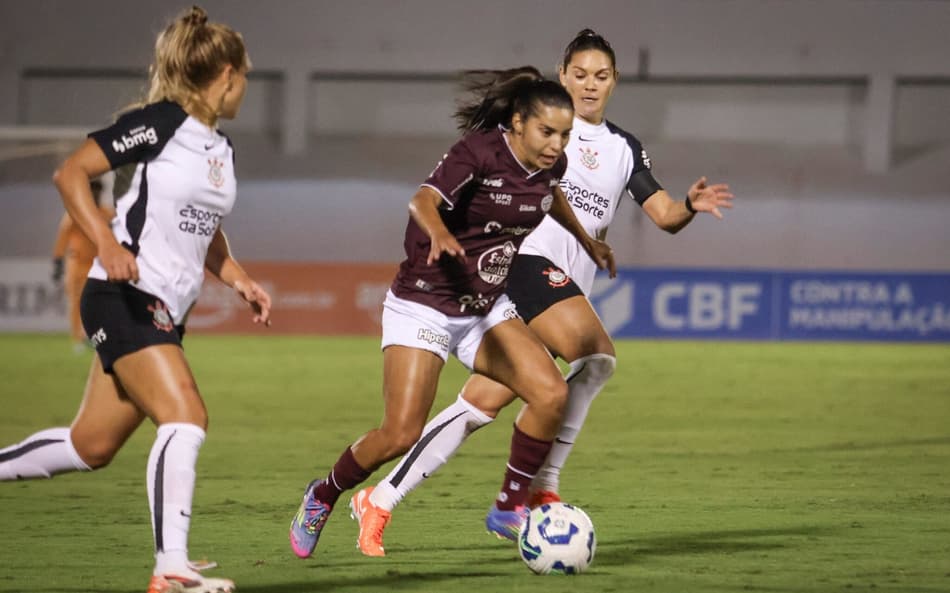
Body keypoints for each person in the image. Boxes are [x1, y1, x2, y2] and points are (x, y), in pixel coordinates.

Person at [347, 29, 735, 557]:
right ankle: (537, 487)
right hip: (524, 265)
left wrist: (688, 205)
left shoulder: (624, 148)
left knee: (479, 405)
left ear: (615, 81)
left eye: (601, 76)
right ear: (562, 75)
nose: (590, 85)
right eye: (580, 74)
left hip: (565, 283)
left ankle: (379, 499)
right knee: (595, 355)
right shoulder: (543, 132)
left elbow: (664, 215)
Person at [289, 65, 615, 559]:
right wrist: (440, 232)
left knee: (550, 394)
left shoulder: (553, 165)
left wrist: (587, 241)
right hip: (426, 305)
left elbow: (550, 196)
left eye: (564, 134)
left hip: (486, 307)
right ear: (519, 122)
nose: (556, 144)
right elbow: (422, 200)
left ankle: (508, 506)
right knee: (399, 432)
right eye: (547, 132)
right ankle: (324, 493)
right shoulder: (478, 152)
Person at [0, 7, 270, 593]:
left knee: (89, 445)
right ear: (226, 75)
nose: (246, 85)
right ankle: (171, 567)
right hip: (122, 295)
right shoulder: (159, 123)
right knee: (186, 415)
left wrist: (239, 278)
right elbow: (70, 173)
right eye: (245, 75)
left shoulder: (221, 149)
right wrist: (105, 243)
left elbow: (205, 231)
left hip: (164, 310)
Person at [52, 176, 116, 352]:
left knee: (102, 302)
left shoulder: (107, 213)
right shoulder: (76, 212)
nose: (95, 195)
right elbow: (63, 237)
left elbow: (117, 235)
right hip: (77, 263)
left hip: (100, 264)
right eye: (92, 191)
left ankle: (98, 337)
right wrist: (58, 262)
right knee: (77, 301)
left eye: (98, 192)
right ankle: (78, 339)